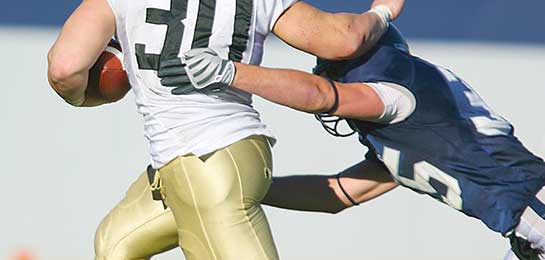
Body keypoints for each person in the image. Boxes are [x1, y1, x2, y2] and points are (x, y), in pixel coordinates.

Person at [46, 0, 416, 259]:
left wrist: (86, 94)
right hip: (213, 158)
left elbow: (66, 67)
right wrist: (381, 11)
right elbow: (341, 40)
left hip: (204, 161)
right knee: (116, 244)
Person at [179, 25, 545, 259]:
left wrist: (231, 73)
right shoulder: (411, 128)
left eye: (335, 72)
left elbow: (321, 96)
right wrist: (248, 189)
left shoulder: (395, 97)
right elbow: (337, 194)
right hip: (525, 228)